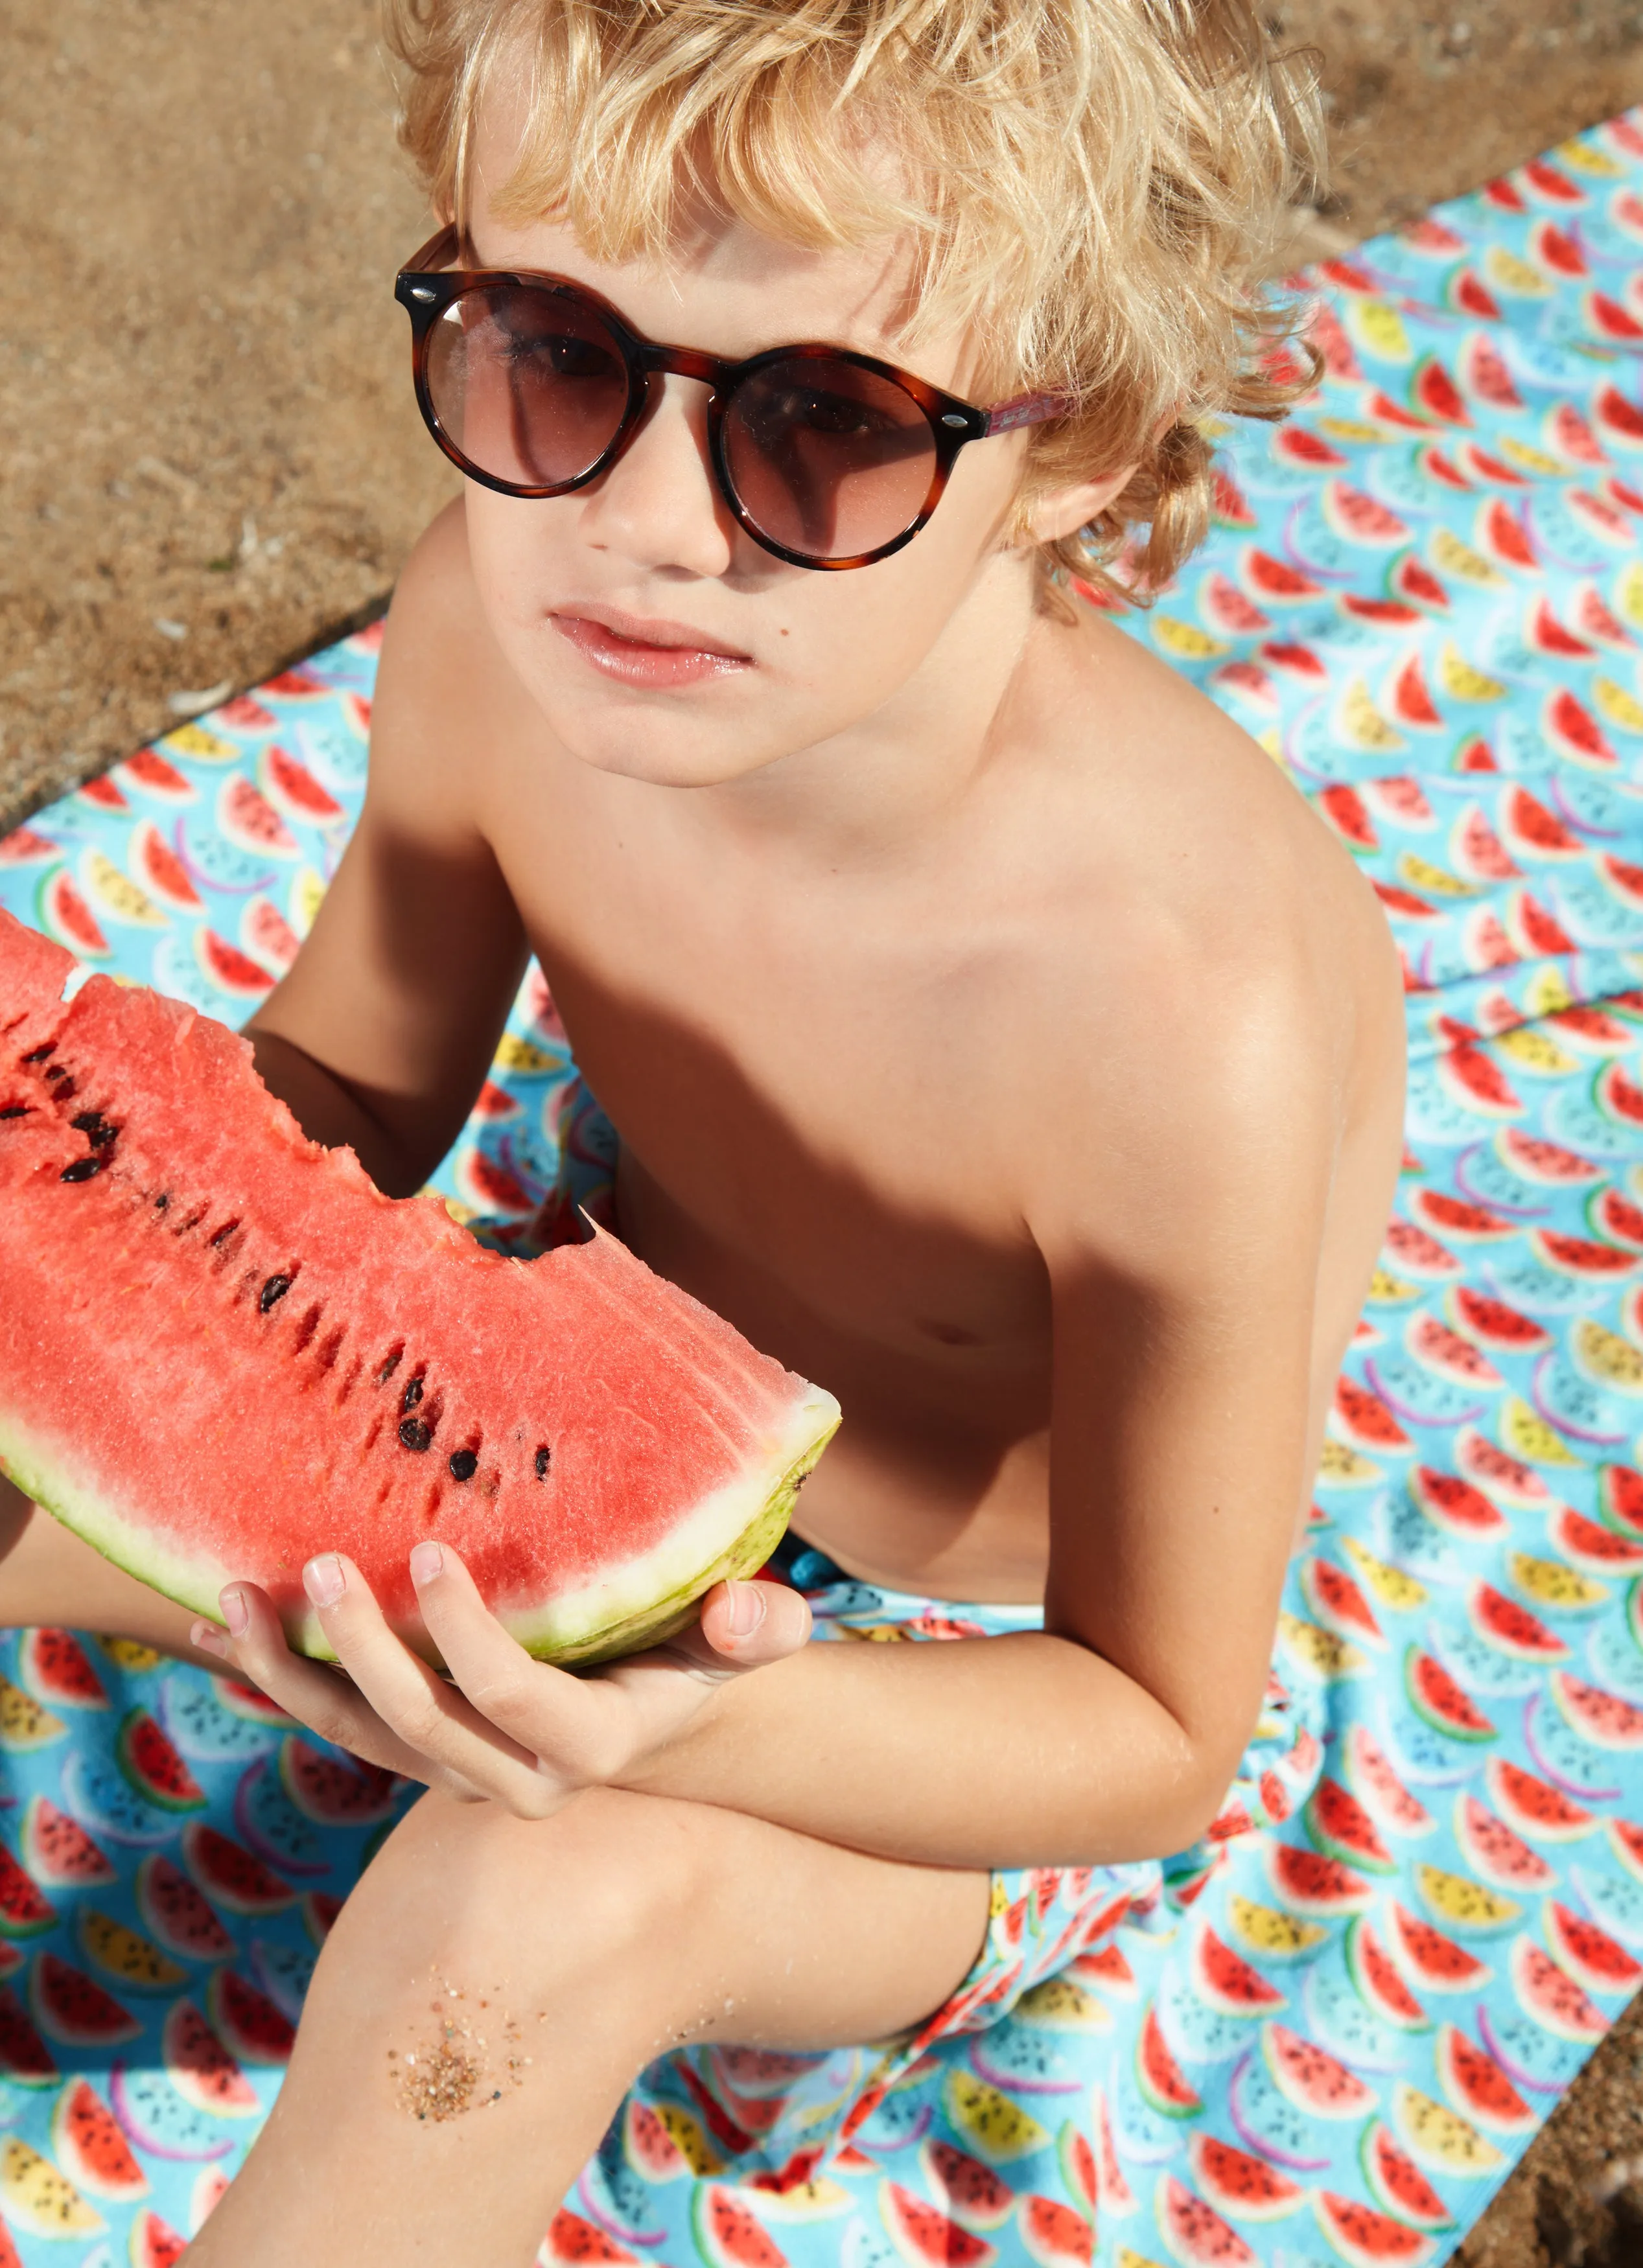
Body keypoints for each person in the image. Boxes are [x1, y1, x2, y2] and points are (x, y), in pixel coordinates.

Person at [0, 3, 1405, 2260]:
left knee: (518, 1916)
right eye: (555, 350)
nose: (642, 533)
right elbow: (345, 1107)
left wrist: (678, 1734)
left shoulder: (1172, 1017)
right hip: (549, 1440)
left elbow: (1152, 1728)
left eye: (822, 425)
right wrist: (81, 1213)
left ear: (1081, 459)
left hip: (954, 1691)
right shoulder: (483, 624)